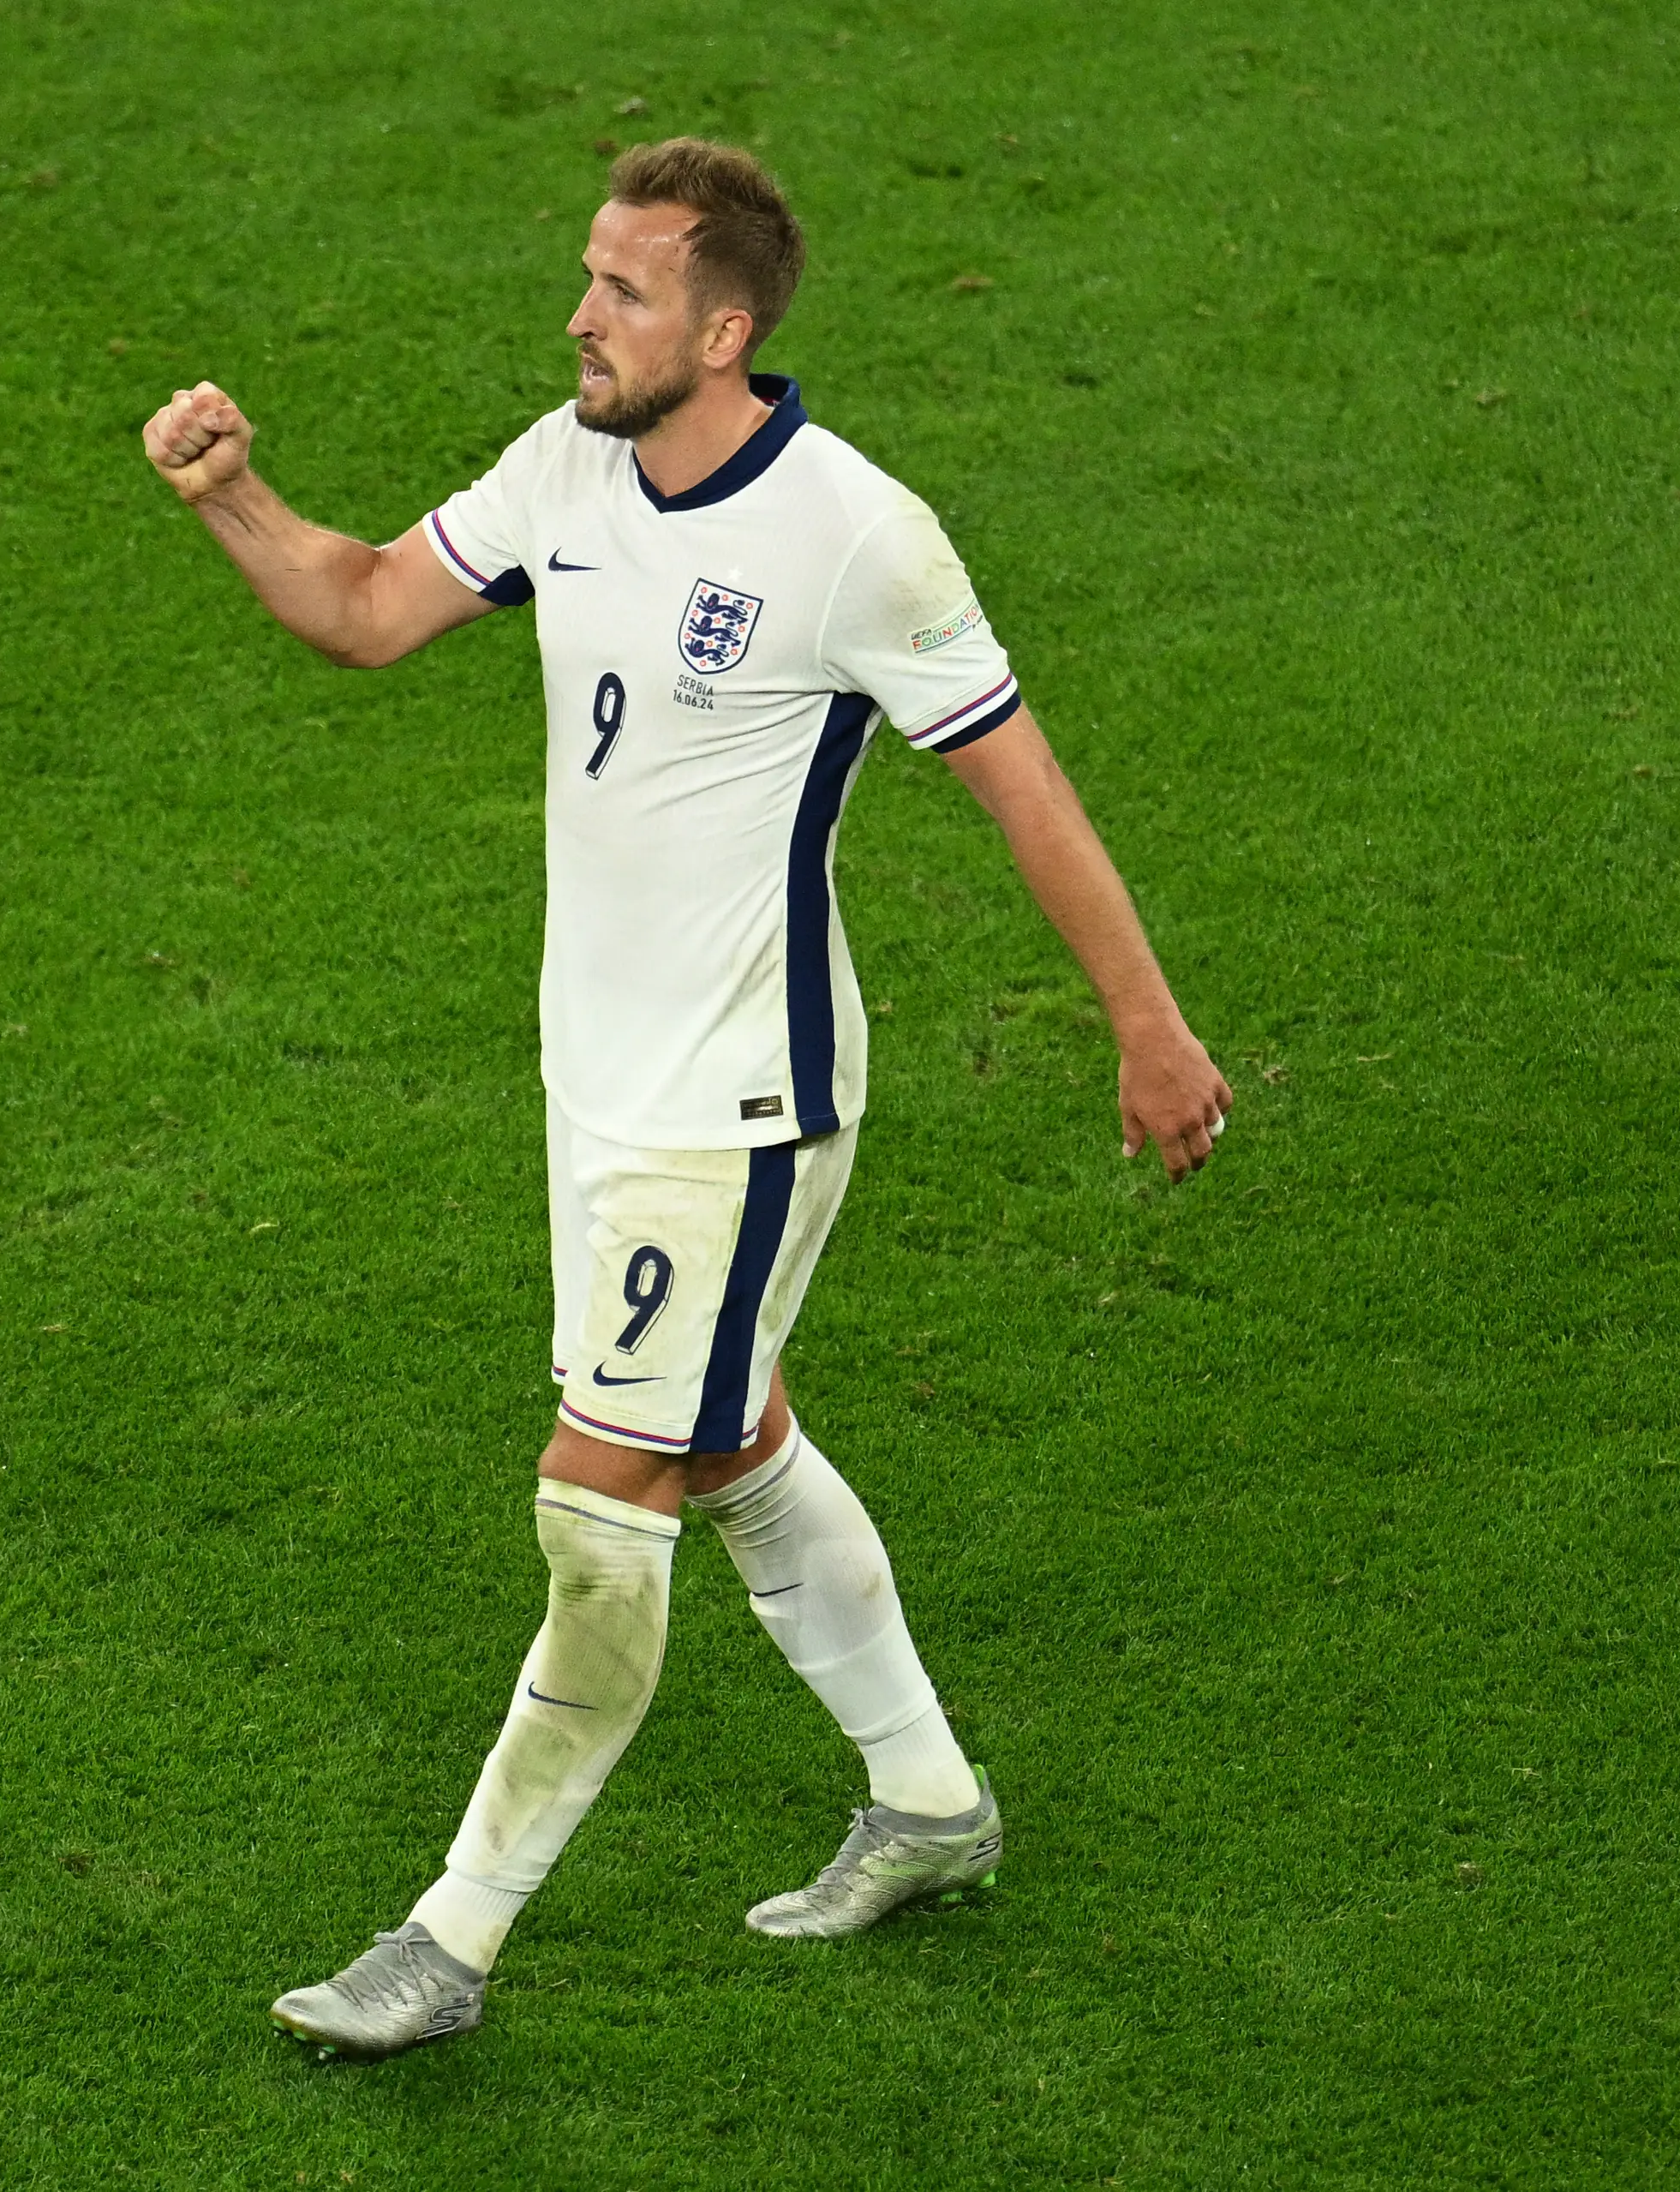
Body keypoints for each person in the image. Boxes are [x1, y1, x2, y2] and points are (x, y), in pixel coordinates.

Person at [140, 138, 1232, 2060]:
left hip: (740, 1102)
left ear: (725, 329)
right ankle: (931, 1801)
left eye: (625, 291)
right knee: (725, 1448)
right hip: (600, 1087)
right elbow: (370, 609)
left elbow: (1020, 784)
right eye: (589, 275)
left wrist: (1148, 1028)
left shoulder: (854, 536)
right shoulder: (567, 467)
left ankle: (449, 1940)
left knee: (600, 1496)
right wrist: (235, 501)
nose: (580, 314)